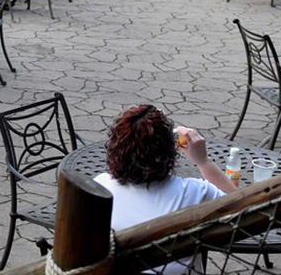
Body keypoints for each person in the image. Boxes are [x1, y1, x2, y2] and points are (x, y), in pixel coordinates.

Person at [94, 104, 236, 274]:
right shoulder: (194, 192)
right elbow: (243, 206)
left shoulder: (99, 188)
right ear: (169, 149)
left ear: (115, 148)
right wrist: (203, 161)